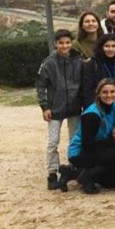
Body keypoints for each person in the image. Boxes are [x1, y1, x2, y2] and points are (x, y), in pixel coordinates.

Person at [37, 29, 83, 190]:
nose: (64, 46)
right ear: (56, 44)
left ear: (71, 43)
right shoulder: (49, 62)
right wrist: (44, 106)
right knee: (53, 142)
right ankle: (52, 172)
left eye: (67, 42)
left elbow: (82, 82)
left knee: (74, 140)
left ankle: (74, 169)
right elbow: (41, 85)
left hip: (75, 106)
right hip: (55, 108)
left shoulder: (78, 59)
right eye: (61, 43)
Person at [66, 79, 115, 194]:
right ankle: (84, 176)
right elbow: (87, 145)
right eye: (105, 92)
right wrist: (112, 139)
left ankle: (72, 173)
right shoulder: (92, 114)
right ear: (98, 94)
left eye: (112, 92)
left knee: (113, 182)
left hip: (100, 146)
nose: (109, 95)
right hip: (80, 152)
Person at [80, 33, 115, 108]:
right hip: (98, 107)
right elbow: (87, 90)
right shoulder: (92, 64)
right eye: (107, 46)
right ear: (101, 47)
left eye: (113, 46)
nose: (110, 49)